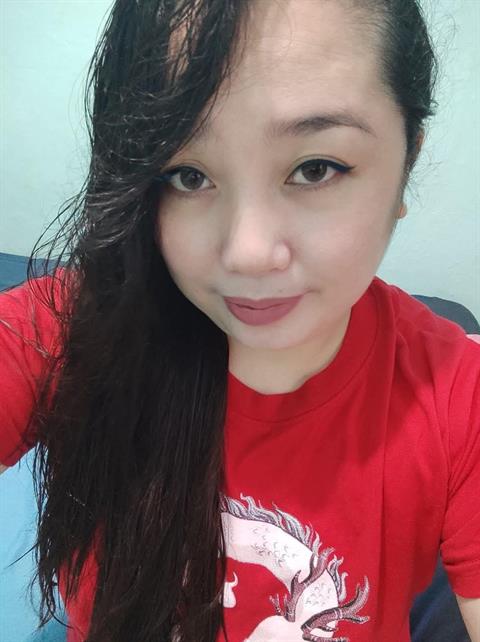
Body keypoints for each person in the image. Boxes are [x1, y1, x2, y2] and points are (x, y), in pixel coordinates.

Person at [0, 0, 479, 640]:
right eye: (187, 175)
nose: (247, 253)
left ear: (406, 165)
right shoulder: (67, 330)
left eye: (315, 168)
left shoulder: (457, 396)